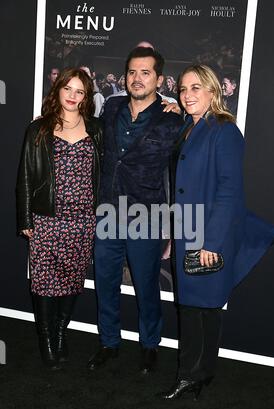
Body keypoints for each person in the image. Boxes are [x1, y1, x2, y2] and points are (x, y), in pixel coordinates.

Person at [161, 64, 274, 399]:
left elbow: (229, 190)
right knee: (191, 307)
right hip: (186, 231)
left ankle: (192, 375)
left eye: (196, 88)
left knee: (205, 307)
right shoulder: (188, 126)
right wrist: (175, 234)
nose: (187, 95)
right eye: (183, 89)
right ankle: (198, 374)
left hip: (210, 234)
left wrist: (211, 242)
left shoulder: (225, 130)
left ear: (214, 91)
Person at [87, 47, 183, 374]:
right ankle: (108, 343)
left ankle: (149, 346)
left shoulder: (173, 117)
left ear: (159, 79)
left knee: (147, 287)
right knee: (106, 283)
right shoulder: (112, 106)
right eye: (131, 72)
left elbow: (178, 170)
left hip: (147, 216)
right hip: (108, 211)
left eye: (145, 72)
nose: (136, 78)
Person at [16, 67, 103, 370]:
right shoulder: (38, 129)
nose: (72, 96)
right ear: (58, 90)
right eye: (68, 89)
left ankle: (61, 331)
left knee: (72, 278)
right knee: (43, 282)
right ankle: (45, 338)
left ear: (86, 96)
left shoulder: (96, 129)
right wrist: (25, 217)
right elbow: (25, 176)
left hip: (83, 220)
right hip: (46, 218)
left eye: (79, 91)